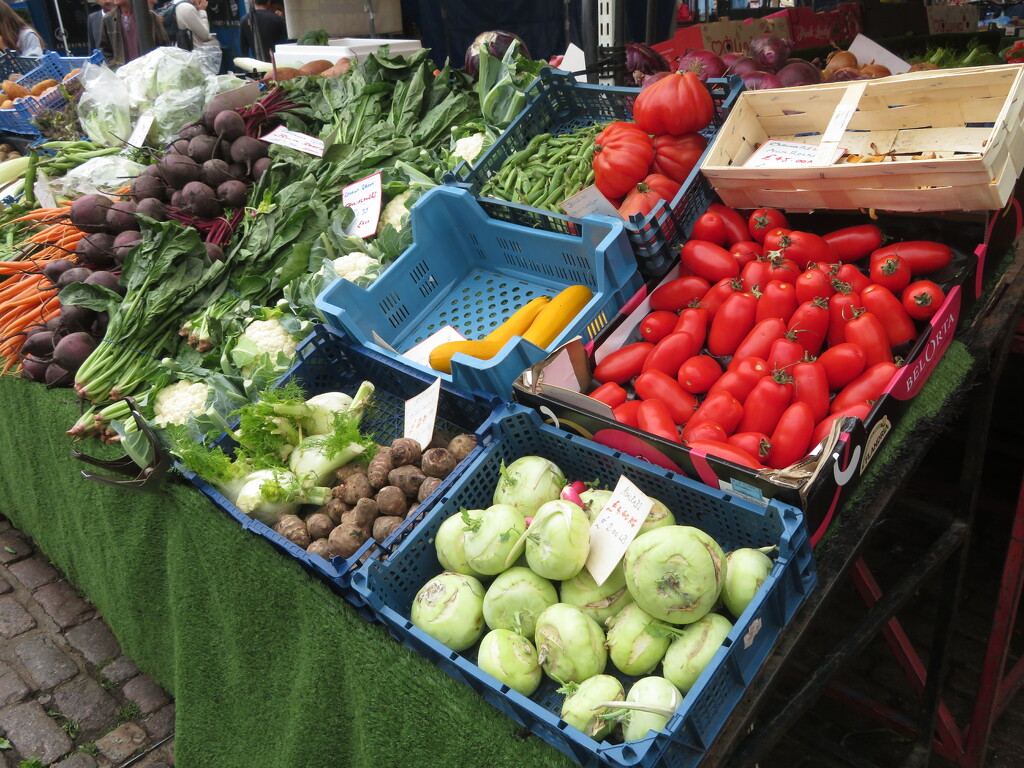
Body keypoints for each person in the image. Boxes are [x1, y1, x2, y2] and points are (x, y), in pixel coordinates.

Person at [98, 0, 169, 66]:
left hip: (147, 70)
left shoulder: (150, 16)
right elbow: (105, 50)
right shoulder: (108, 19)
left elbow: (164, 45)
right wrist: (115, 66)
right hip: (123, 73)